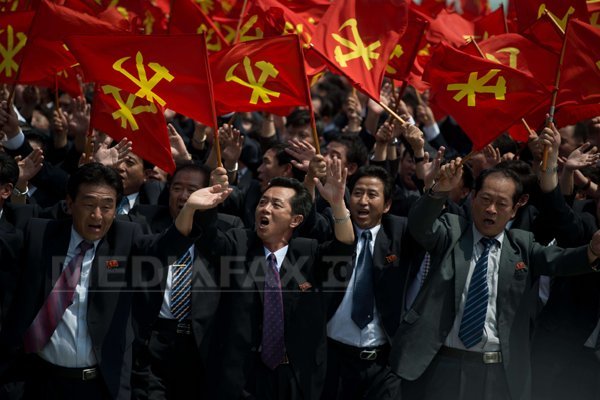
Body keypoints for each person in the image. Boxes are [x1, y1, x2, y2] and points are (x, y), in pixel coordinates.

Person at [0, 162, 231, 400]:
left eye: (106, 206)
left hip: (99, 386)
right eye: (89, 204)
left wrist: (190, 209)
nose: (97, 215)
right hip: (40, 382)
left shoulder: (126, 237)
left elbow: (163, 248)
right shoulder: (40, 233)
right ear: (70, 203)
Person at [391, 159, 600, 400]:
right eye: (485, 199)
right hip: (443, 365)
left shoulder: (522, 246)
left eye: (501, 204)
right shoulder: (452, 231)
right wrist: (438, 191)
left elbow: (560, 261)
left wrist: (591, 252)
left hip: (497, 372)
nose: (491, 209)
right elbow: (420, 226)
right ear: (473, 198)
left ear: (514, 209)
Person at [199, 159, 354, 400]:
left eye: (276, 204)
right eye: (263, 202)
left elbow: (344, 246)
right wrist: (211, 200)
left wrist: (337, 204)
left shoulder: (308, 252)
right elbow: (208, 238)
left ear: (295, 220)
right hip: (242, 377)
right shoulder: (239, 243)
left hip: (296, 376)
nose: (265, 209)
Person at [130, 162, 243, 400]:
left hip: (202, 344)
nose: (183, 196)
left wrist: (204, 215)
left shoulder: (227, 227)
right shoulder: (143, 220)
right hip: (153, 340)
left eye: (192, 190)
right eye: (177, 188)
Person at [321, 165, 420, 400]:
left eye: (372, 194)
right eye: (357, 193)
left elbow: (427, 221)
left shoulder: (400, 232)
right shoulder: (331, 227)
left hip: (382, 365)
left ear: (387, 205)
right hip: (334, 361)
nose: (363, 201)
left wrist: (431, 184)